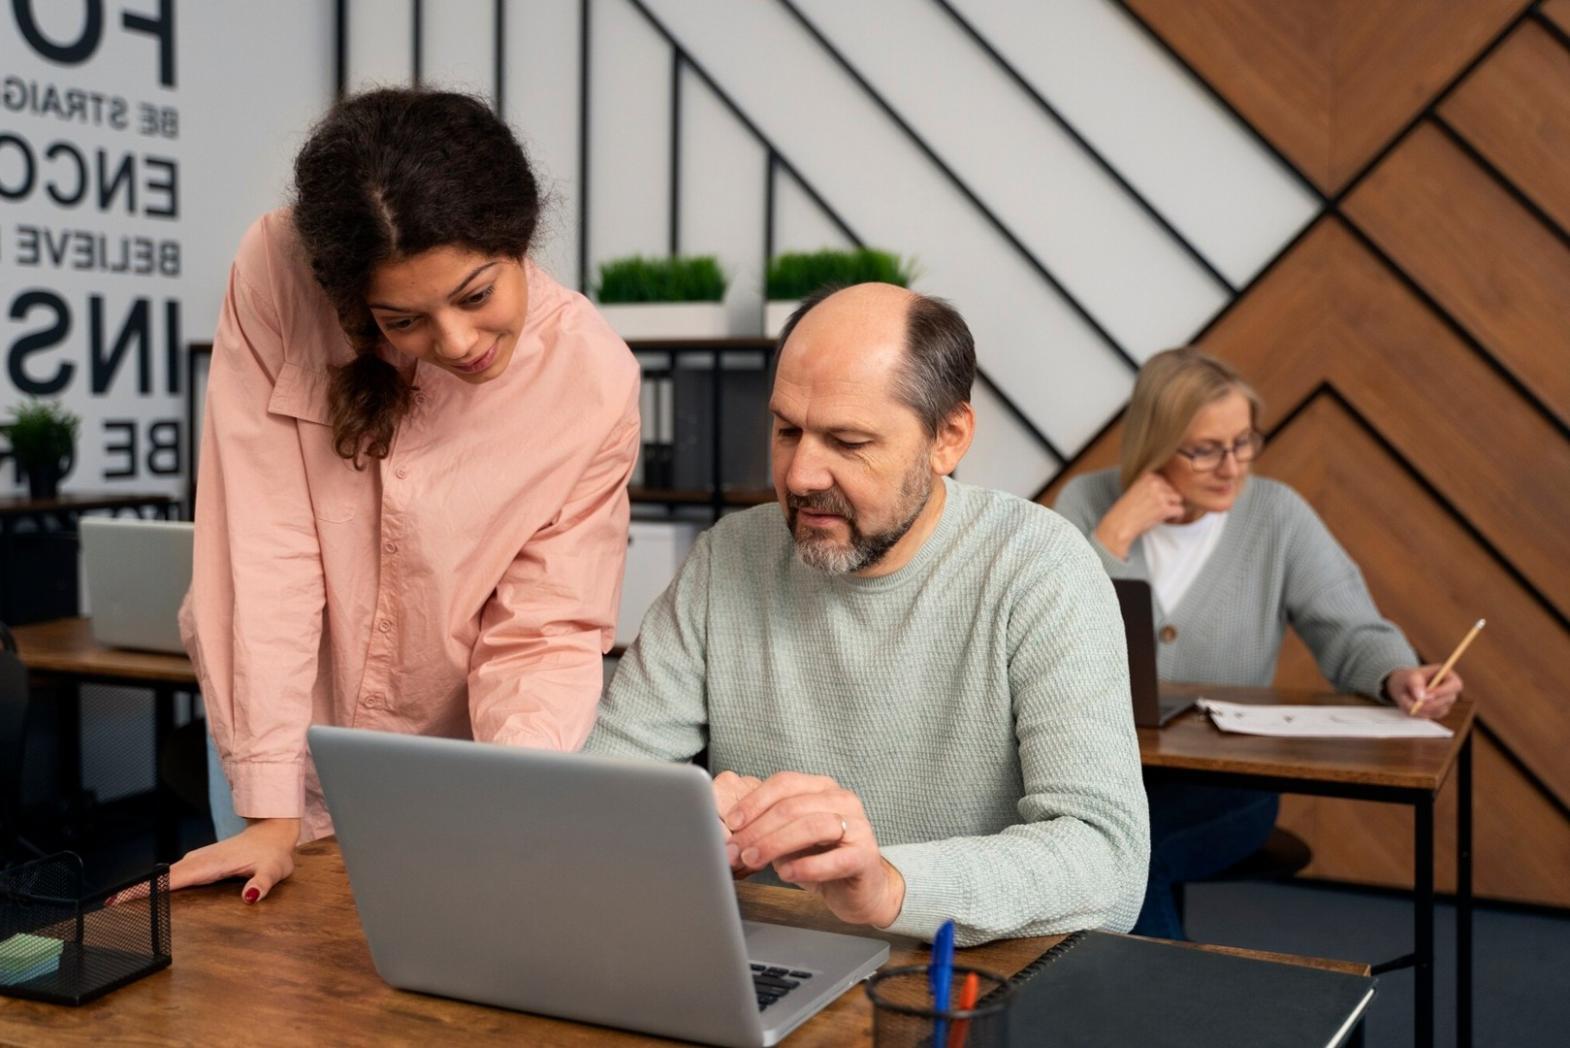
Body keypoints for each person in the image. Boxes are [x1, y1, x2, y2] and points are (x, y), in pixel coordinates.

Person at [174, 89, 640, 903]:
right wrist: (270, 805)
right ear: (354, 303)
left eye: (476, 295)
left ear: (517, 237)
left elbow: (544, 627)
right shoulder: (278, 271)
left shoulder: (591, 379)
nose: (456, 343)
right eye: (403, 321)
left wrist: (512, 796)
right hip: (276, 741)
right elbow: (262, 545)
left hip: (458, 770)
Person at [585, 283, 1148, 947]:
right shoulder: (729, 558)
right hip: (762, 957)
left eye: (847, 442)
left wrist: (889, 887)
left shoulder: (1040, 567)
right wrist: (671, 820)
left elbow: (1108, 866)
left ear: (949, 438)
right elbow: (602, 790)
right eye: (787, 430)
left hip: (959, 984)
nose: (798, 475)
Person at [1054, 346, 1462, 940]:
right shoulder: (1087, 504)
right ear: (1155, 442)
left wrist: (1397, 672)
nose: (1232, 467)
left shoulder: (1277, 516)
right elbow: (1048, 631)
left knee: (1130, 857)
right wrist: (1112, 536)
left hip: (1230, 783)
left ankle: (1179, 1025)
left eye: (1243, 442)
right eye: (1205, 450)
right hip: (1105, 771)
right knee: (1091, 853)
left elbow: (1346, 624)